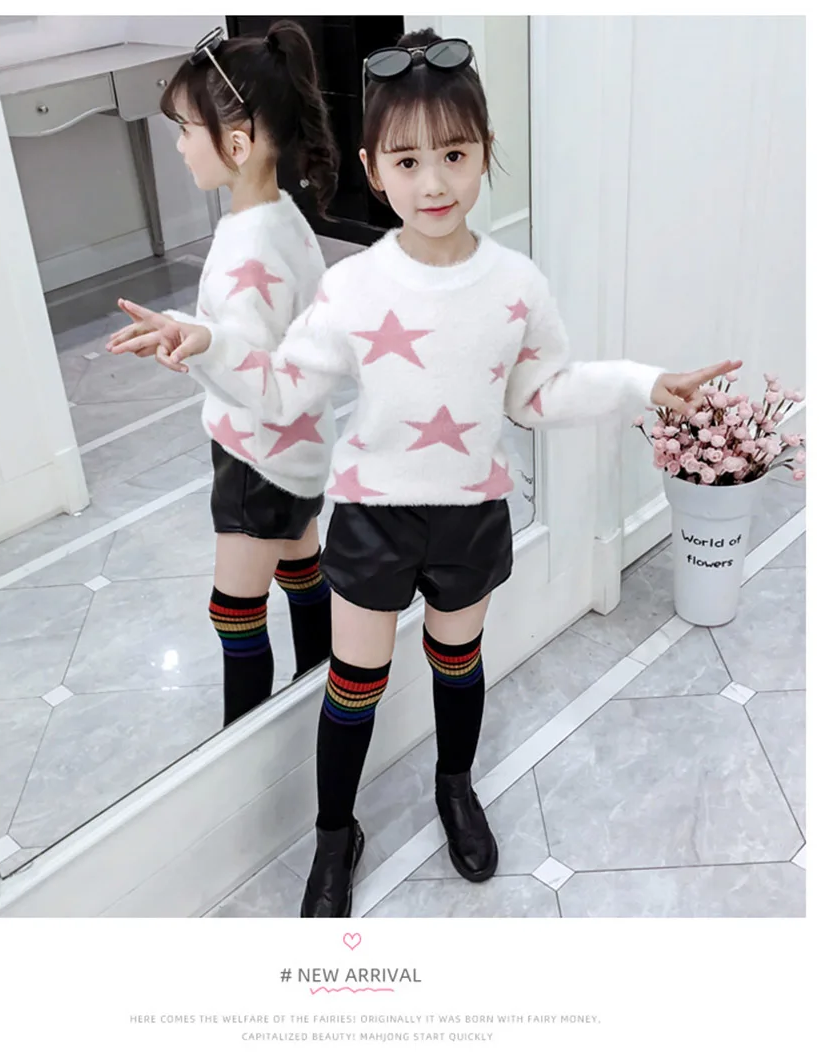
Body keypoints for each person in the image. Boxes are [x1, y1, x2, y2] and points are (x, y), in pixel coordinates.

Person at [110, 28, 742, 917]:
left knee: (457, 660)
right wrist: (206, 340)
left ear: (485, 151)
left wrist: (643, 382)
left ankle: (455, 786)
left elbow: (540, 395)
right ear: (375, 170)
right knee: (353, 684)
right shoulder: (353, 288)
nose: (434, 181)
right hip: (373, 520)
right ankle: (336, 834)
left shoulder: (517, 285)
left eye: (454, 153)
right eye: (408, 161)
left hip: (468, 514)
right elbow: (283, 388)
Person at [108, 22, 340, 728]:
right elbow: (260, 331)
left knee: (234, 611)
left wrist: (201, 340)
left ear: (236, 145)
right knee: (302, 568)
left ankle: (245, 750)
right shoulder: (279, 216)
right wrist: (195, 332)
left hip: (256, 457)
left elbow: (254, 361)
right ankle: (319, 692)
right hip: (299, 449)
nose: (180, 146)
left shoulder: (251, 243)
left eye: (185, 130)